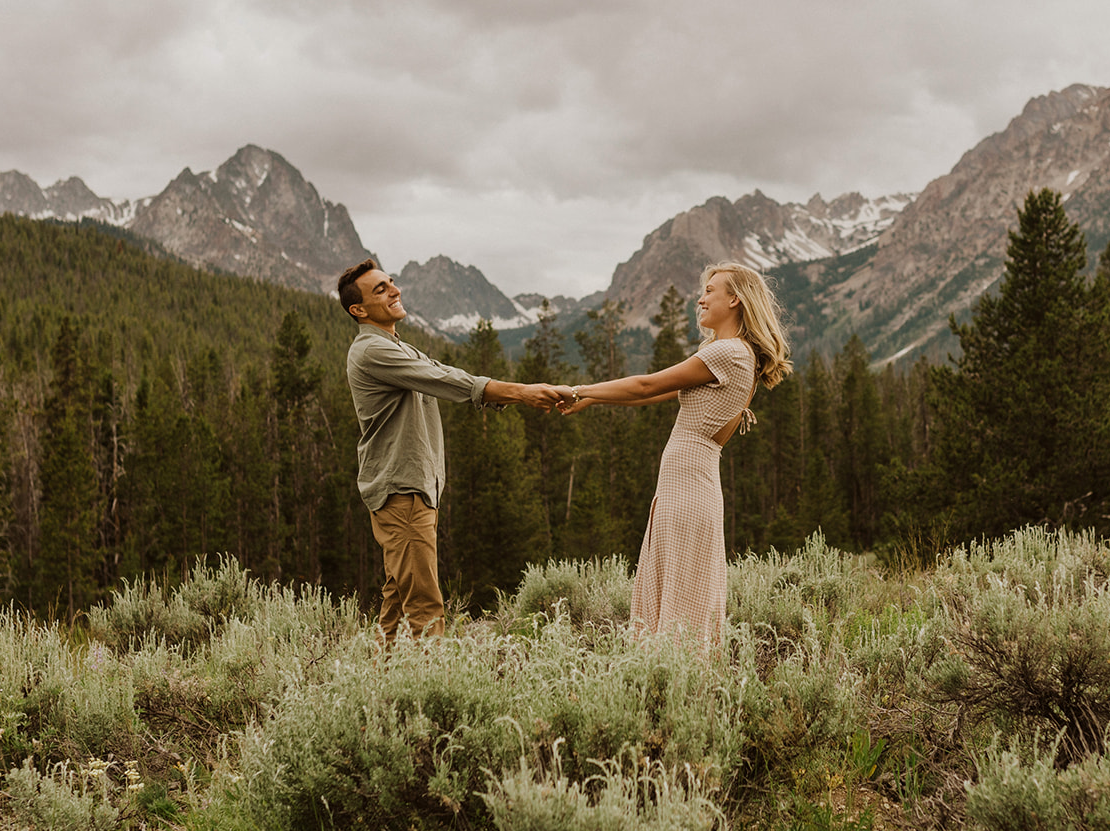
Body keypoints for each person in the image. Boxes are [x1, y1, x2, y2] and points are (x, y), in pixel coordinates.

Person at [556, 262, 791, 646]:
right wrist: (592, 398)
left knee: (681, 609)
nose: (701, 298)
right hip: (687, 489)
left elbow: (647, 384)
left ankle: (674, 691)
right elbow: (656, 393)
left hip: (688, 493)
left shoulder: (730, 352)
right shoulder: (735, 354)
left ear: (734, 299)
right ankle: (670, 690)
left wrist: (581, 390)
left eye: (710, 290)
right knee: (680, 601)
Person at [339, 259, 561, 641]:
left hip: (411, 491)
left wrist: (505, 396)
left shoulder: (395, 346)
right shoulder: (372, 351)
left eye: (391, 283)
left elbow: (442, 371)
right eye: (380, 289)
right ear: (358, 310)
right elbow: (445, 379)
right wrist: (521, 392)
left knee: (396, 601)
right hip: (401, 492)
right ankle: (436, 692)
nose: (394, 290)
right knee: (425, 606)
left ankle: (378, 690)